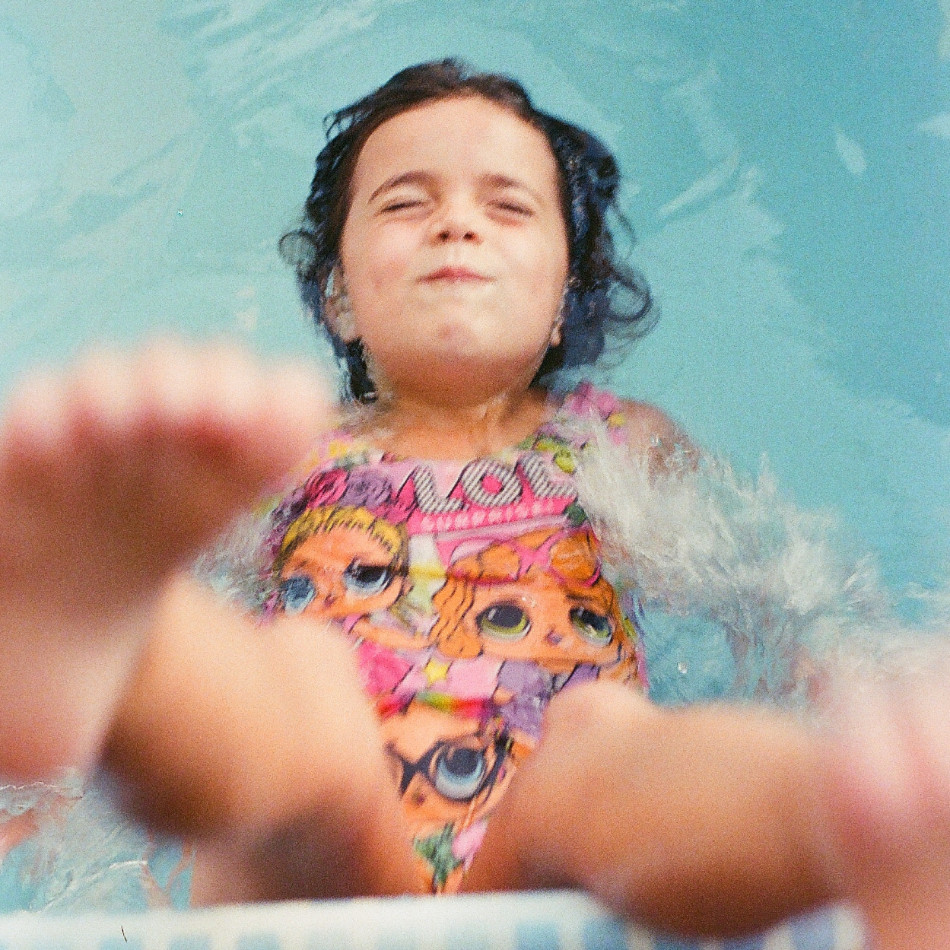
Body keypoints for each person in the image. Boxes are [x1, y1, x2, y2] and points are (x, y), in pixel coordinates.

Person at [0, 58, 945, 946]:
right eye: (408, 203)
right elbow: (220, 608)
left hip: (549, 854)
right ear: (339, 295)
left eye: (509, 207)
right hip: (320, 866)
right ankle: (109, 638)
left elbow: (764, 580)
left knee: (600, 742)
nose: (458, 224)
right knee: (301, 705)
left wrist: (846, 663)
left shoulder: (610, 444)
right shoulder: (288, 457)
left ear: (559, 293)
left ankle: (857, 811)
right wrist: (60, 796)